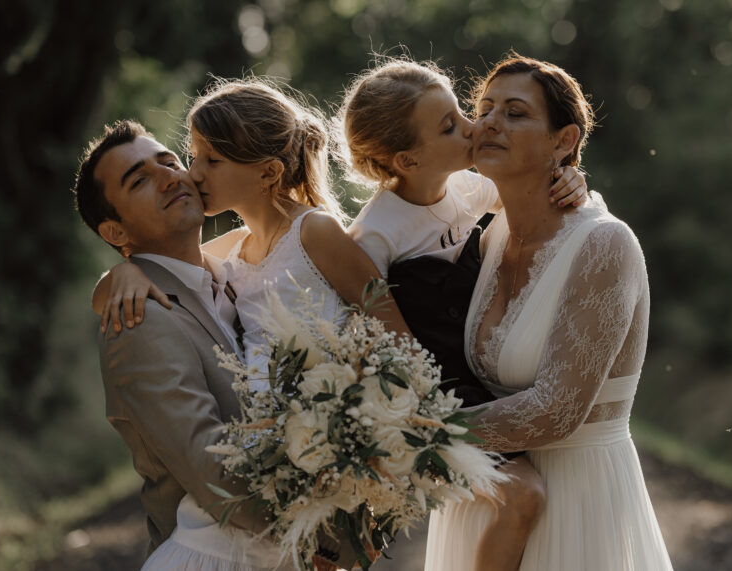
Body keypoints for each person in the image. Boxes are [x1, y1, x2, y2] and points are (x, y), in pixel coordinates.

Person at [92, 79, 402, 569]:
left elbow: (394, 339)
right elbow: (207, 463)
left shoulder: (282, 244)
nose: (183, 175)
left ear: (267, 173)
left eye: (179, 161)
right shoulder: (200, 275)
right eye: (141, 178)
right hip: (234, 541)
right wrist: (117, 273)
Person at [424, 54, 673, 570]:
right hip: (488, 500)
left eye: (515, 113)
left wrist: (416, 438)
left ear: (563, 142)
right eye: (485, 108)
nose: (489, 122)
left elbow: (555, 410)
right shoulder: (485, 235)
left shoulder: (605, 245)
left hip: (576, 504)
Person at [337, 57, 586, 571]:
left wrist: (573, 180)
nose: (475, 127)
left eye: (461, 112)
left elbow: (537, 188)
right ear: (406, 160)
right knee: (524, 496)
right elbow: (365, 336)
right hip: (433, 392)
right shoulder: (375, 235)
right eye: (451, 125)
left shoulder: (471, 189)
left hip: (487, 371)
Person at [74, 121, 311, 569]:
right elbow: (212, 471)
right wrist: (319, 532)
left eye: (169, 161)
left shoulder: (242, 270)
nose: (169, 176)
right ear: (116, 234)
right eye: (140, 180)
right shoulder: (138, 318)